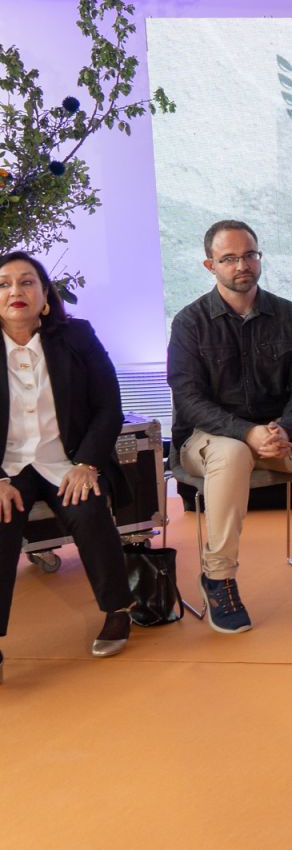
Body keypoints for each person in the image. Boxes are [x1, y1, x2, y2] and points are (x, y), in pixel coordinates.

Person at [168, 219, 292, 632]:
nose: (242, 265)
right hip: (208, 441)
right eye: (229, 258)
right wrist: (247, 433)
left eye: (249, 255)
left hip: (277, 435)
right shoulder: (189, 322)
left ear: (259, 257)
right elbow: (189, 399)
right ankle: (218, 577)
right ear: (210, 265)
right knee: (234, 451)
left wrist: (285, 429)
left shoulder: (288, 315)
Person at [0, 252, 136, 680]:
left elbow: (109, 406)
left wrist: (88, 463)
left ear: (44, 295)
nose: (15, 291)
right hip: (8, 469)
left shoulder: (76, 336)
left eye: (27, 282)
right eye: (4, 284)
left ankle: (118, 609)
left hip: (67, 460)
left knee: (89, 509)